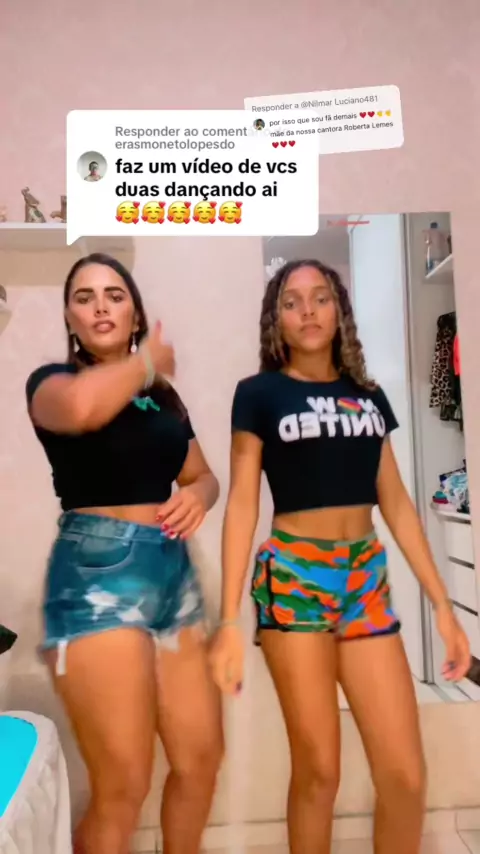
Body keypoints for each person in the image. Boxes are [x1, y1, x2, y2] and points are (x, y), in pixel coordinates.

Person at [209, 258, 471, 854]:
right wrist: (228, 621)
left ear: (339, 311)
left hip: (364, 580)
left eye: (320, 298)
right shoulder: (259, 395)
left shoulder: (367, 396)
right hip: (294, 576)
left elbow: (396, 502)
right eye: (292, 301)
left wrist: (442, 606)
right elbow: (243, 505)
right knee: (319, 771)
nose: (307, 310)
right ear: (276, 319)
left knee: (405, 776)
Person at [26, 253, 223, 854]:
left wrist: (198, 497)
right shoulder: (51, 385)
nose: (100, 306)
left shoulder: (161, 395)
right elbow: (83, 410)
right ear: (70, 317)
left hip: (172, 574)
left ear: (134, 312)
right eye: (84, 297)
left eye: (114, 294)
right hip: (96, 580)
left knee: (200, 759)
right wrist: (145, 362)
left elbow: (202, 474)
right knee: (124, 784)